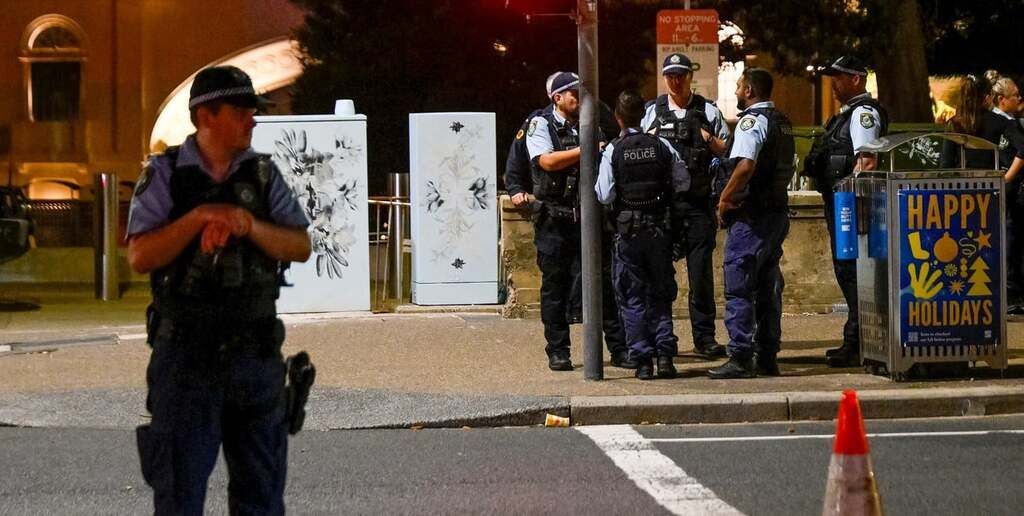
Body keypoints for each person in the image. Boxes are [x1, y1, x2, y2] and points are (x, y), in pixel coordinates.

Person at [127, 65, 312, 515]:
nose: (254, 119)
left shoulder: (264, 176)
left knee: (262, 501)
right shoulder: (166, 174)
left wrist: (246, 224)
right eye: (243, 110)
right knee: (179, 500)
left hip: (254, 360)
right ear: (207, 115)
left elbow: (300, 245)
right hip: (186, 362)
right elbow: (139, 257)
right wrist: (200, 219)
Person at [525, 71, 632, 371]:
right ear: (557, 98)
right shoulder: (541, 124)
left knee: (603, 286)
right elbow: (545, 161)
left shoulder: (594, 120)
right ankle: (559, 351)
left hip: (591, 219)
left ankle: (619, 348)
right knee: (555, 289)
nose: (579, 97)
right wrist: (585, 150)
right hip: (555, 220)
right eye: (572, 93)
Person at [640, 53, 729, 360]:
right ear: (664, 78)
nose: (676, 80)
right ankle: (661, 339)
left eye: (681, 75)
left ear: (690, 76)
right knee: (658, 276)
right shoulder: (652, 111)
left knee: (701, 276)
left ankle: (704, 337)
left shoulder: (708, 110)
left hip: (698, 205)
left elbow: (728, 150)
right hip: (663, 207)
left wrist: (708, 140)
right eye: (670, 75)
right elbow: (638, 149)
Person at [707, 68, 795, 379]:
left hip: (752, 216)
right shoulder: (782, 122)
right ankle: (767, 355)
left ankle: (741, 356)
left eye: (738, 86)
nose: (735, 91)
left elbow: (745, 165)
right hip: (775, 214)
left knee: (740, 285)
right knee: (768, 286)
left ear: (749, 91)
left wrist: (724, 199)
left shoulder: (751, 121)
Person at [802, 56, 888, 368]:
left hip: (851, 205)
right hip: (842, 203)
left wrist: (850, 205)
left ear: (856, 79)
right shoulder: (846, 114)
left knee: (852, 271)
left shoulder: (863, 114)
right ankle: (856, 338)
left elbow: (866, 163)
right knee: (847, 270)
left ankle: (859, 341)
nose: (833, 83)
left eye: (838, 77)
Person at [596, 90, 687, 379]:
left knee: (632, 296)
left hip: (629, 232)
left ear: (618, 117)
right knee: (660, 294)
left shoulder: (614, 149)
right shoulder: (661, 145)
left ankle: (643, 362)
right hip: (659, 229)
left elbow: (604, 193)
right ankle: (665, 359)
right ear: (643, 116)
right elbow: (682, 182)